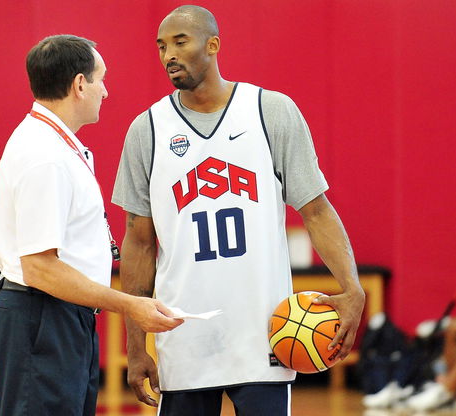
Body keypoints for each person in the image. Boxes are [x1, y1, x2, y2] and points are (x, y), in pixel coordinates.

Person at [112, 5, 366, 415]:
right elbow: (138, 243)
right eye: (161, 46)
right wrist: (135, 344)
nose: (168, 55)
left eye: (180, 41)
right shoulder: (147, 130)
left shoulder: (270, 111)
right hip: (184, 336)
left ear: (213, 45)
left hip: (264, 332)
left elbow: (316, 211)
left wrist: (352, 288)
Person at [0, 34, 183, 416]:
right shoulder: (45, 156)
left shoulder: (54, 145)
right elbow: (40, 267)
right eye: (100, 79)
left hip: (59, 318)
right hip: (43, 318)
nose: (105, 91)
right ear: (79, 84)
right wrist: (129, 305)